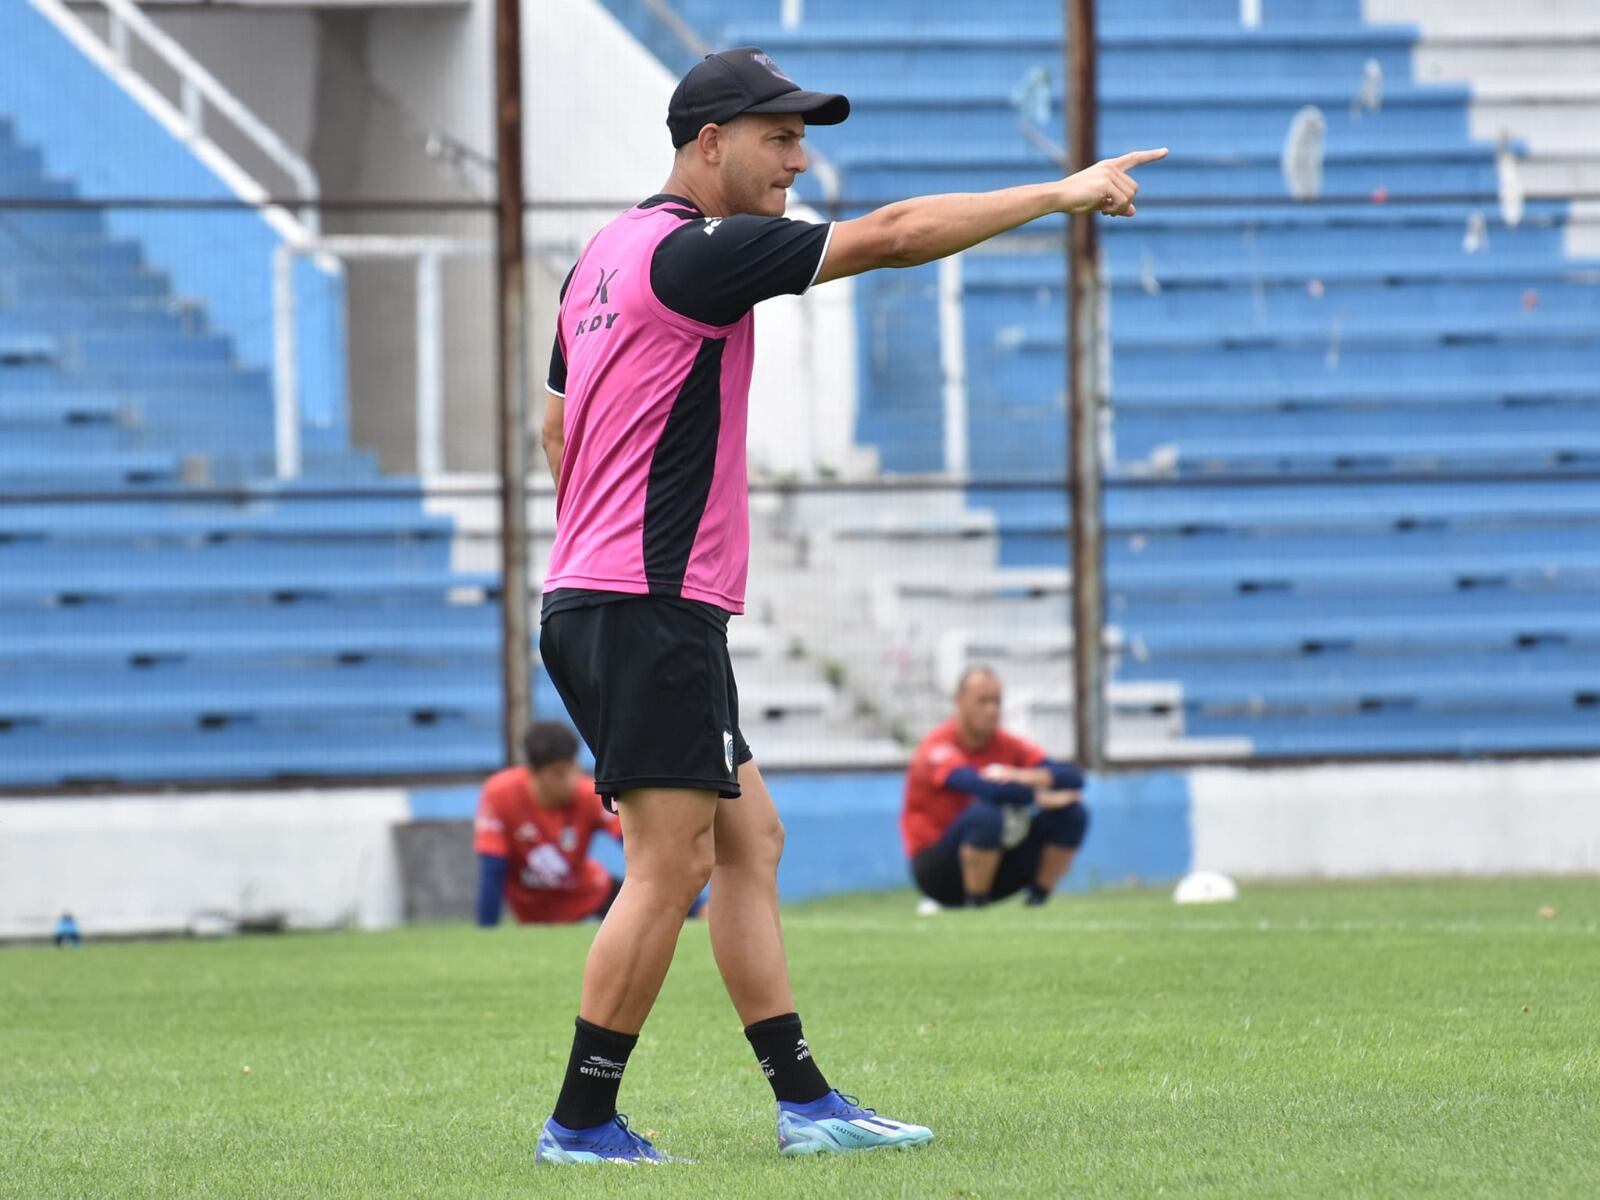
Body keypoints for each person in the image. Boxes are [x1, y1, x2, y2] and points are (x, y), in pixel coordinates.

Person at [534, 44, 1164, 1165]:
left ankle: (806, 1103)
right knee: (671, 865)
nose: (798, 159)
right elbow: (895, 235)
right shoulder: (698, 252)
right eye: (778, 139)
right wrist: (1060, 192)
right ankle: (582, 1122)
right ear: (709, 144)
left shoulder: (601, 258)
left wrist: (605, 525)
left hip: (606, 594)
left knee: (749, 841)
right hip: (646, 600)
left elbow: (556, 424)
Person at [903, 668, 1090, 910]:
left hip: (998, 863)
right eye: (982, 701)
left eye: (996, 701)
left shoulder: (1007, 744)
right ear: (959, 703)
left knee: (1073, 813)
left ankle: (1037, 901)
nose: (992, 709)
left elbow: (1072, 778)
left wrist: (1022, 775)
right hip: (938, 869)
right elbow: (984, 789)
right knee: (986, 815)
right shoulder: (937, 747)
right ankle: (976, 905)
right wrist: (1039, 796)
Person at [474, 722, 624, 927]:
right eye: (559, 773)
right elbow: (493, 869)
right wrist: (486, 930)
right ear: (534, 772)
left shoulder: (588, 794)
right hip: (532, 913)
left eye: (573, 769)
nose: (571, 780)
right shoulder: (499, 794)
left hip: (589, 894)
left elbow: (632, 841)